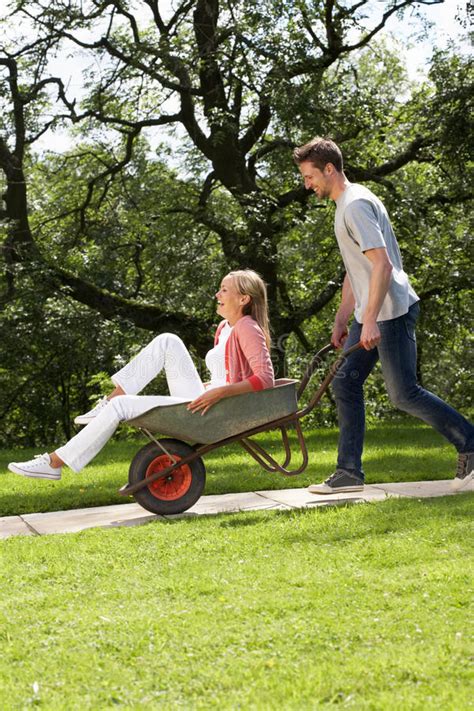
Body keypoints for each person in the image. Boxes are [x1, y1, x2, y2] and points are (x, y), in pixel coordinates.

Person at [294, 136, 474, 494]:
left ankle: (471, 445)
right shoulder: (346, 203)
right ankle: (349, 472)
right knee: (345, 382)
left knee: (403, 393)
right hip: (372, 310)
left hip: (391, 310)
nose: (306, 184)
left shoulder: (355, 205)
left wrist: (372, 318)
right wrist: (344, 318)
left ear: (329, 169)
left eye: (309, 176)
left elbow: (382, 265)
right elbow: (356, 267)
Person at [8, 270, 274, 480]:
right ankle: (108, 403)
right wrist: (211, 386)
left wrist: (219, 392)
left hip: (218, 411)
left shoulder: (247, 327)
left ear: (243, 299)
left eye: (224, 290)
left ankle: (55, 462)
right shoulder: (224, 327)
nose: (217, 293)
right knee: (168, 340)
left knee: (123, 404)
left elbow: (265, 378)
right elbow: (226, 375)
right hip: (208, 401)